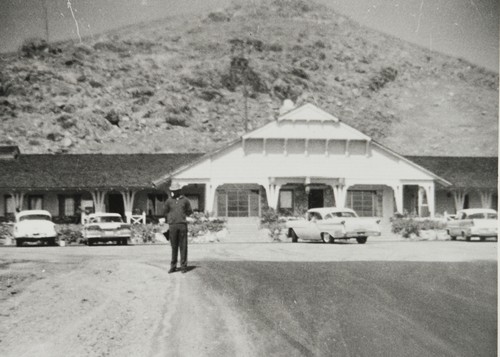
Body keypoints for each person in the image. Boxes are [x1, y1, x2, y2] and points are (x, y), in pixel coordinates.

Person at [164, 182, 193, 274]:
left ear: (180, 190)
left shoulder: (185, 200)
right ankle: (173, 266)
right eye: (173, 191)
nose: (174, 192)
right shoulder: (168, 201)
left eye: (176, 191)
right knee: (174, 246)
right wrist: (169, 220)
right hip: (172, 225)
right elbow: (165, 212)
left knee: (183, 246)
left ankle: (183, 266)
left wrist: (182, 216)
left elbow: (189, 211)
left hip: (182, 225)